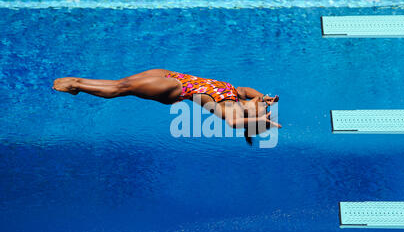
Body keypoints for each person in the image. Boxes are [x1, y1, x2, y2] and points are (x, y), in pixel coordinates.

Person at [53, 69, 281, 144]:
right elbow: (246, 90)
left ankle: (78, 85)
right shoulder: (238, 95)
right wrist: (264, 97)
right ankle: (77, 83)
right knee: (121, 84)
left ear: (249, 114)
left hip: (173, 88)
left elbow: (233, 123)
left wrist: (258, 122)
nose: (264, 106)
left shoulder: (230, 108)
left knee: (120, 90)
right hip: (170, 75)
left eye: (264, 110)